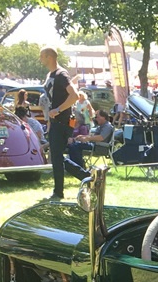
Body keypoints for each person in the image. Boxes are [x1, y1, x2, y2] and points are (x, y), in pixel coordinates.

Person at [40, 46, 78, 200]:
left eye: (41, 56)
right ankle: (87, 177)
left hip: (62, 121)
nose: (40, 59)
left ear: (49, 56)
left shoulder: (61, 74)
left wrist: (58, 109)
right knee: (56, 156)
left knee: (56, 156)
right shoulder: (51, 74)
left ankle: (58, 192)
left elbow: (74, 96)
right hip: (54, 121)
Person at [66, 108, 115, 177]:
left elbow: (101, 138)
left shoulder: (107, 126)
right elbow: (93, 137)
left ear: (103, 117)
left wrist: (88, 138)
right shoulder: (101, 126)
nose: (96, 119)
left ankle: (79, 168)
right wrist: (83, 137)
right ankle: (74, 168)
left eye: (97, 117)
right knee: (73, 145)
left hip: (100, 147)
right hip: (94, 145)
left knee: (75, 146)